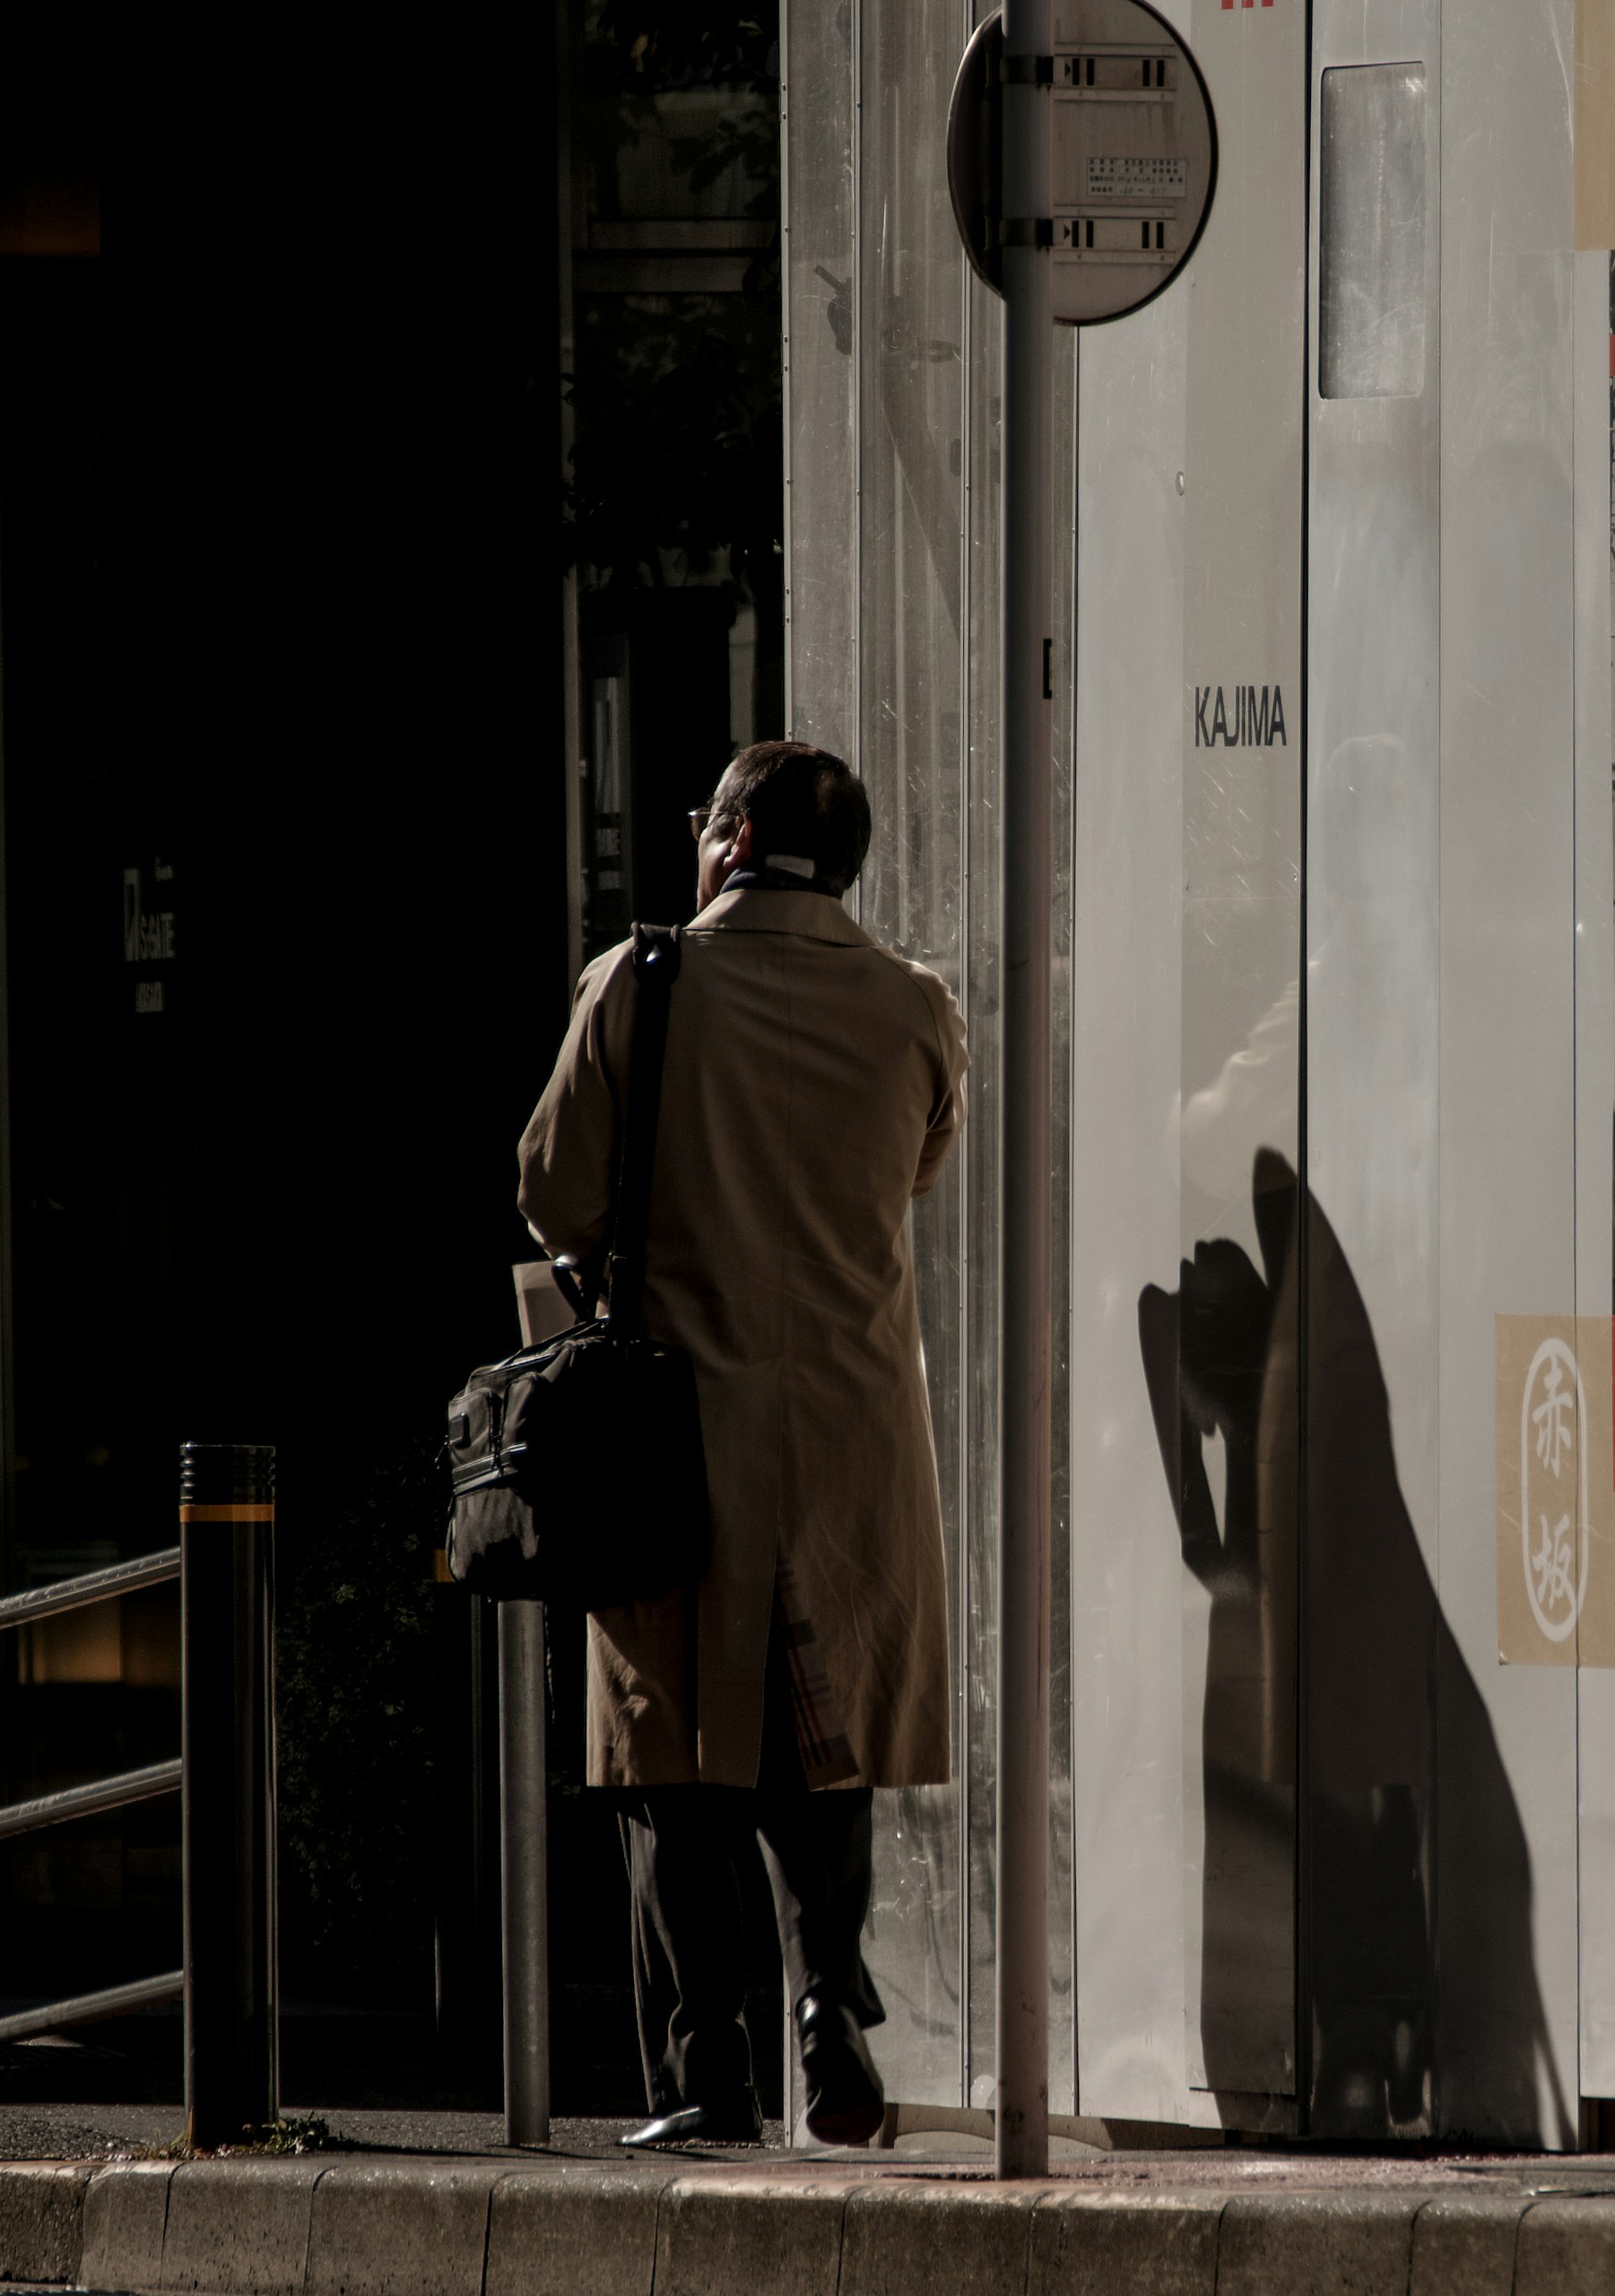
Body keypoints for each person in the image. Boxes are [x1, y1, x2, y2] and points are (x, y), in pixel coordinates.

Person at [516, 740, 966, 2147]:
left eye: (705, 821)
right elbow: (921, 1169)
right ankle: (830, 2006)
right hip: (851, 1427)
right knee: (818, 1743)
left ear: (735, 834)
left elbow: (550, 1190)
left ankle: (707, 2074)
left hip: (675, 1432)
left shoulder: (640, 987)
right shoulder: (913, 1009)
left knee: (672, 1758)